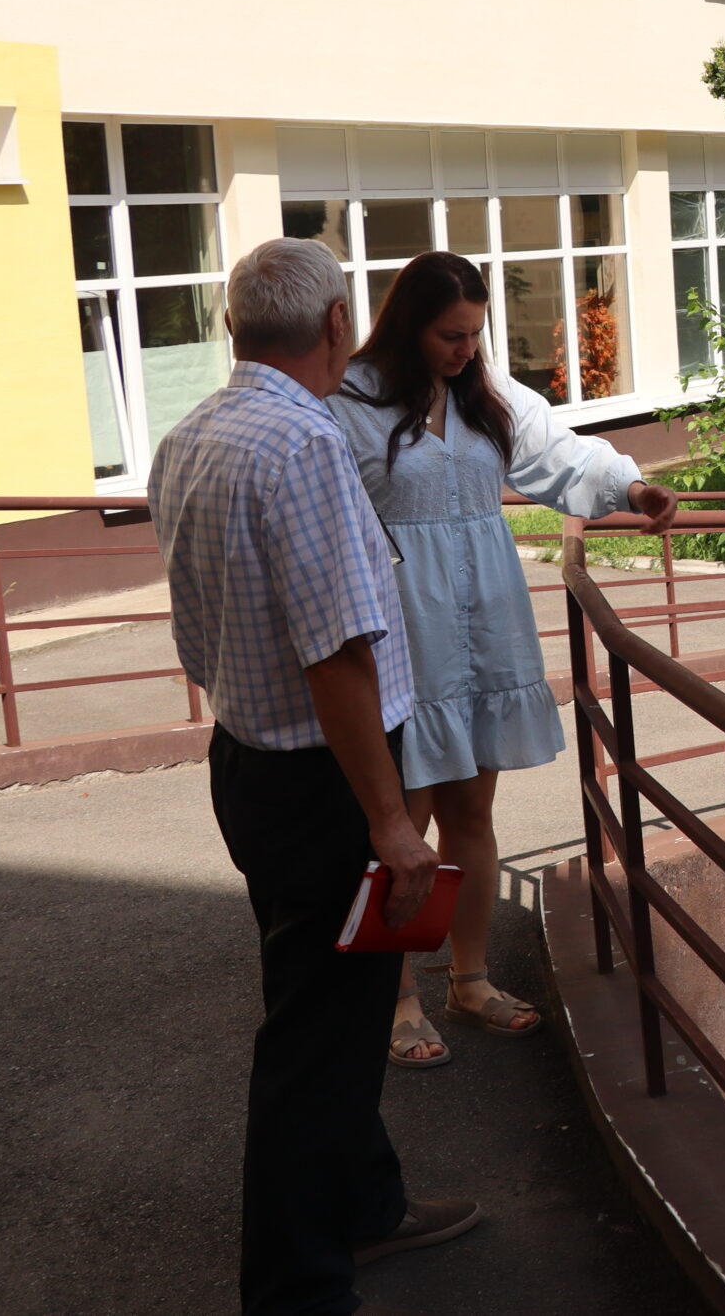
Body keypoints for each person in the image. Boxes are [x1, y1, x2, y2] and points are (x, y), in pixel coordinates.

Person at [151, 238, 478, 1316]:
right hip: (322, 784)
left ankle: (368, 1203)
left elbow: (198, 622)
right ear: (338, 326)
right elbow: (337, 652)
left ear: (232, 326)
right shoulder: (304, 443)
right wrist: (391, 819)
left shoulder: (192, 435)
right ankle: (296, 1287)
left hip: (249, 764)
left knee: (326, 1015)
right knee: (313, 1045)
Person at [327, 252, 676, 1066]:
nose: (464, 349)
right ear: (409, 325)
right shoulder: (351, 401)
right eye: (450, 335)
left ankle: (470, 978)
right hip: (406, 632)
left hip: (484, 625)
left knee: (472, 816)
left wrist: (632, 488)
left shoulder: (483, 391)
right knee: (405, 825)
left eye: (474, 334)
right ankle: (395, 998)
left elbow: (562, 453)